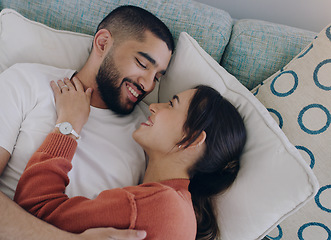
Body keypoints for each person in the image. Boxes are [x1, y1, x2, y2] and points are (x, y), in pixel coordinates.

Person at [0, 5, 174, 240]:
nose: (148, 84)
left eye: (158, 77)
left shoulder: (145, 134)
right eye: (142, 63)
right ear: (103, 43)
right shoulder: (27, 82)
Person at [14, 79, 247, 240]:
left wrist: (69, 124)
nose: (153, 107)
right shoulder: (180, 212)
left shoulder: (160, 205)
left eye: (171, 104)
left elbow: (33, 209)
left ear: (193, 139)